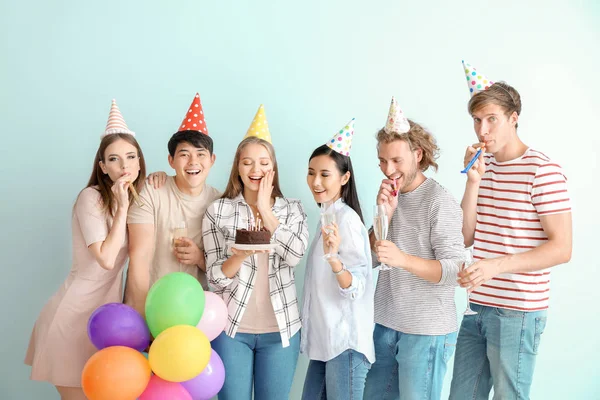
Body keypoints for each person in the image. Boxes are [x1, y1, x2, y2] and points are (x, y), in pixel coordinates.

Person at [449, 61, 572, 400]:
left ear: (513, 118)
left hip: (518, 311)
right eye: (477, 120)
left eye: (492, 119)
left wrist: (495, 265)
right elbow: (465, 238)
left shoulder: (542, 170)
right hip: (477, 307)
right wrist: (472, 182)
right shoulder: (482, 168)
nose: (482, 130)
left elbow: (562, 248)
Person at [24, 100, 147, 400]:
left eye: (131, 157)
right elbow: (106, 258)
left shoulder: (138, 200)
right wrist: (120, 210)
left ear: (140, 162)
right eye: (114, 159)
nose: (124, 166)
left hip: (106, 322)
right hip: (73, 316)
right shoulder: (90, 198)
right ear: (103, 167)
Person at [202, 105, 309, 400]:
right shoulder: (217, 210)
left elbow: (295, 255)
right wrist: (236, 258)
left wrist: (264, 208)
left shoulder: (293, 209)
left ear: (272, 168)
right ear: (237, 166)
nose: (255, 170)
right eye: (247, 162)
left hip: (282, 330)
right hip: (231, 330)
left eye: (263, 162)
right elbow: (213, 279)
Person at [364, 97, 465, 400]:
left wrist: (403, 259)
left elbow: (455, 269)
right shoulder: (388, 197)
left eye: (396, 160)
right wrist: (385, 214)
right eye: (382, 161)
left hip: (426, 332)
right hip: (384, 324)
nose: (388, 169)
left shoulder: (439, 201)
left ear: (417, 155)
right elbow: (368, 258)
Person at [125, 93, 220, 316]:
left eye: (200, 154)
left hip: (196, 311)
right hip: (150, 304)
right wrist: (142, 316)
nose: (193, 162)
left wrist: (199, 258)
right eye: (184, 155)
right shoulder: (151, 191)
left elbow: (227, 269)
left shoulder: (220, 203)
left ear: (212, 160)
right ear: (171, 161)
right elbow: (139, 257)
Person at [300, 118, 375, 399]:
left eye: (324, 174)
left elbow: (357, 286)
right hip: (325, 342)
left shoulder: (347, 220)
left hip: (345, 344)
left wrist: (334, 259)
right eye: (310, 173)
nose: (315, 182)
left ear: (344, 178)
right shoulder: (326, 219)